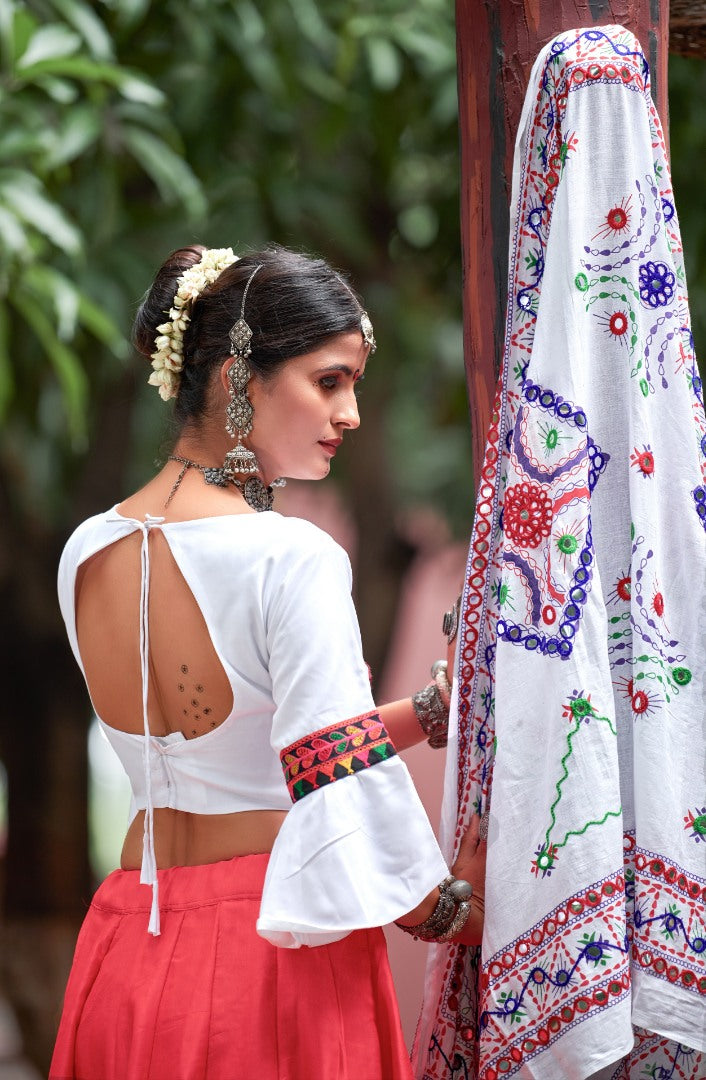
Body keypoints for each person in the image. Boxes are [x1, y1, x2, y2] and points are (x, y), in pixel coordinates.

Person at [49, 244, 486, 1080]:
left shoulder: (87, 551)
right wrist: (442, 910)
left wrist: (424, 715)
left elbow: (258, 751)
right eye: (329, 381)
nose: (351, 413)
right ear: (236, 382)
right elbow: (325, 772)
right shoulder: (290, 555)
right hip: (271, 949)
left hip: (126, 940)